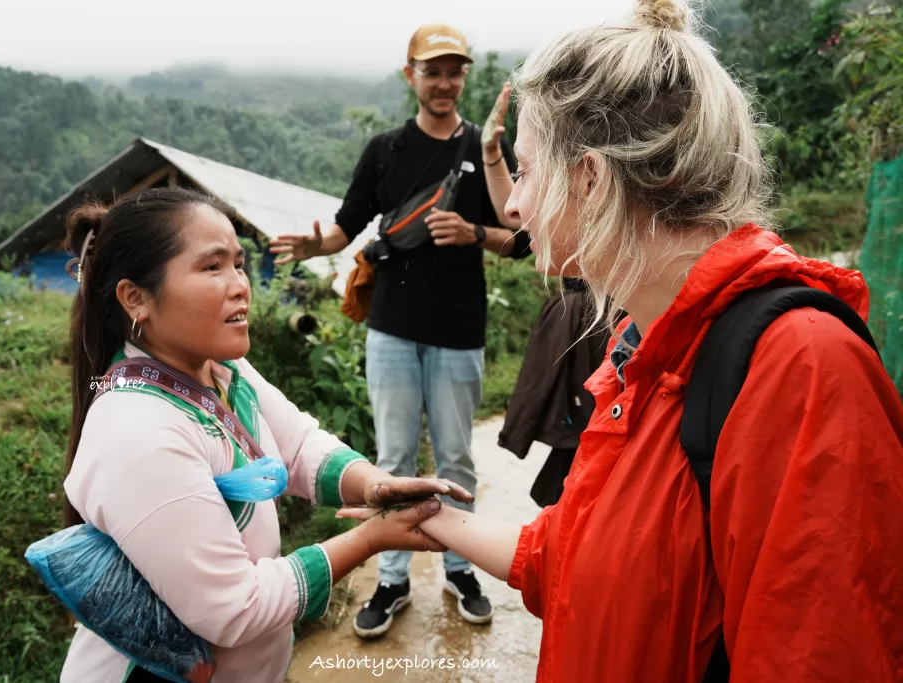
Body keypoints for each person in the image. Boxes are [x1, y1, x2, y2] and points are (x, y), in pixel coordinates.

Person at [340, 1, 903, 680]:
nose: (514, 205)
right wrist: (428, 517)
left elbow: (816, 654)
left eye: (525, 170)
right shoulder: (640, 344)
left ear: (590, 178)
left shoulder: (801, 370)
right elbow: (573, 553)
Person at [58, 187, 474, 683]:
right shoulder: (137, 431)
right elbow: (236, 607)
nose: (240, 285)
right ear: (136, 298)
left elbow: (295, 442)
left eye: (238, 263)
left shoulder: (220, 370)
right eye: (212, 267)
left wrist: (372, 484)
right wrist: (369, 539)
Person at [270, 24, 531, 638]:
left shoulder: (485, 147)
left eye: (454, 70)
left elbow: (521, 237)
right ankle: (391, 578)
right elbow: (344, 226)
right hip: (391, 329)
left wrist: (475, 234)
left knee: (456, 456)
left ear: (464, 76)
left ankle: (461, 569)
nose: (444, 82)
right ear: (409, 75)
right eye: (432, 70)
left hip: (459, 329)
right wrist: (314, 246)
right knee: (391, 459)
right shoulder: (384, 150)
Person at [497, 278, 609, 507]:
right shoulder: (567, 307)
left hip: (604, 305)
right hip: (589, 305)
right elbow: (537, 380)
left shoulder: (571, 307)